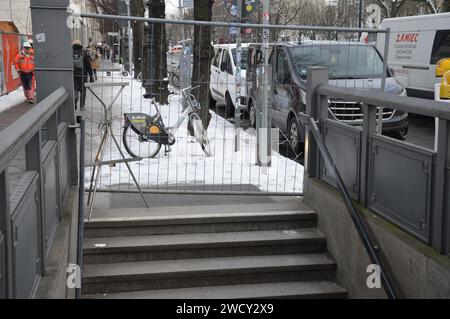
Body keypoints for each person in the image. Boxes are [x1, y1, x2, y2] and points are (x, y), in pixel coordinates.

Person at [73, 40, 93, 110]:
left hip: (73, 74)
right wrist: (91, 76)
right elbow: (88, 65)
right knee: (83, 90)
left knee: (74, 89)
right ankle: (82, 106)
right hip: (83, 74)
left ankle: (75, 101)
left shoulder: (69, 52)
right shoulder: (84, 52)